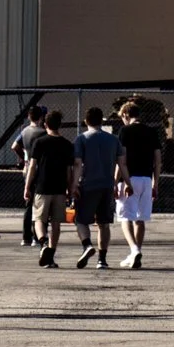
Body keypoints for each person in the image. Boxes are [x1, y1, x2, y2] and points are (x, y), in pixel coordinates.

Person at [24, 110, 76, 268]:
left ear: (45, 124)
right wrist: (69, 188)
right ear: (60, 125)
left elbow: (32, 166)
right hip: (59, 187)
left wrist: (27, 186)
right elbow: (69, 170)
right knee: (56, 223)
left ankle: (43, 242)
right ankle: (51, 257)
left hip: (42, 186)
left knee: (39, 219)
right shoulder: (67, 144)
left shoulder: (40, 142)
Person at [116, 99, 163, 268]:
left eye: (122, 117)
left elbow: (121, 160)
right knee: (140, 218)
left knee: (125, 217)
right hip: (146, 179)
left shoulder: (124, 131)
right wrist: (155, 183)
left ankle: (134, 249)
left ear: (126, 114)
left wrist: (116, 182)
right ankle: (135, 254)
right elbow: (158, 161)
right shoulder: (151, 132)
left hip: (129, 178)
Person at [73, 106, 121, 268]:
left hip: (88, 185)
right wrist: (120, 183)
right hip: (107, 185)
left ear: (86, 121)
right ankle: (102, 259)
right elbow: (121, 163)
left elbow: (78, 164)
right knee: (104, 223)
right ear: (102, 121)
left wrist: (74, 185)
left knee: (81, 220)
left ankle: (87, 245)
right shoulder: (113, 140)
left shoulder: (81, 139)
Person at [14, 105, 48, 247]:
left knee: (28, 204)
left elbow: (14, 146)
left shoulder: (25, 131)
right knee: (40, 204)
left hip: (27, 169)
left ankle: (26, 237)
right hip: (40, 170)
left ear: (29, 116)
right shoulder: (43, 133)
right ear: (41, 117)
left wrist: (23, 159)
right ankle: (37, 235)